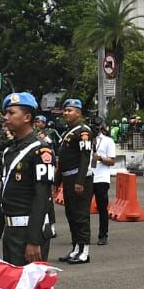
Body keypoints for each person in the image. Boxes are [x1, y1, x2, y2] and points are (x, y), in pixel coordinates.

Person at [0, 91, 53, 265]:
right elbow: (4, 195)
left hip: (29, 233)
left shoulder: (40, 150)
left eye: (11, 113)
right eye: (5, 113)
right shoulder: (10, 151)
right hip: (11, 233)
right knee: (13, 288)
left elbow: (42, 197)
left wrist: (34, 240)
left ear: (27, 117)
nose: (6, 117)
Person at [54, 97, 95, 264]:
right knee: (71, 214)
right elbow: (61, 161)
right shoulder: (67, 132)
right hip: (68, 177)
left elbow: (85, 158)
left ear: (79, 113)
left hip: (80, 178)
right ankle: (76, 248)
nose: (66, 113)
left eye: (70, 110)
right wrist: (56, 182)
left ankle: (84, 251)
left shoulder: (83, 132)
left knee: (81, 215)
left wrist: (80, 181)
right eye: (65, 110)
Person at [91, 120, 117, 246]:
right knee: (82, 209)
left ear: (101, 127)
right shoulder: (84, 140)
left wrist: (100, 158)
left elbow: (112, 161)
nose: (93, 128)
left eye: (95, 125)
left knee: (102, 208)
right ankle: (82, 236)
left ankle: (103, 235)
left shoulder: (108, 141)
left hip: (101, 178)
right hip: (87, 177)